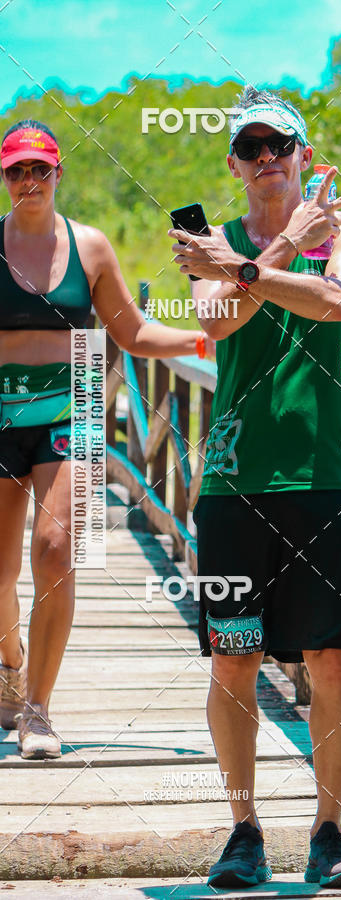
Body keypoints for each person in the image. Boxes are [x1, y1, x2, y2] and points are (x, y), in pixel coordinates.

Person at [169, 86, 341, 888]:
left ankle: (329, 832)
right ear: (234, 164)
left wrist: (246, 270)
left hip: (327, 474)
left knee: (332, 657)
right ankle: (244, 832)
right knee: (235, 658)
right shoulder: (211, 239)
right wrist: (280, 246)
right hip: (234, 482)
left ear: (303, 155)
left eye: (279, 146)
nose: (266, 160)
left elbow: (337, 304)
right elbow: (216, 322)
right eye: (250, 149)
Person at [0, 119, 215, 759]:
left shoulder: (89, 247)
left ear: (58, 173)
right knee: (0, 574)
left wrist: (202, 341)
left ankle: (37, 711)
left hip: (73, 414)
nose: (29, 180)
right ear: (5, 178)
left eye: (40, 168)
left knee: (56, 549)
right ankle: (10, 660)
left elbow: (133, 333)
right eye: (16, 170)